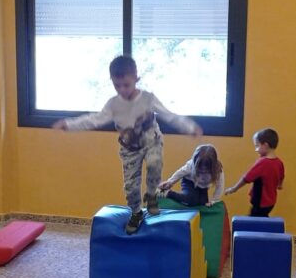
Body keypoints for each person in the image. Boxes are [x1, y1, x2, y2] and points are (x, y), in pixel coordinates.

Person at [53, 55, 201, 234]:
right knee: (131, 187)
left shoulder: (148, 99)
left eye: (126, 85)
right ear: (112, 81)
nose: (122, 90)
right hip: (129, 149)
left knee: (155, 163)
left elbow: (168, 115)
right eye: (117, 86)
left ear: (136, 79)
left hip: (151, 142)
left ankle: (152, 195)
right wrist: (69, 125)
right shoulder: (113, 105)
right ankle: (136, 212)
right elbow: (94, 120)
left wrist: (189, 127)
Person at [224, 128, 284, 217]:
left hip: (260, 202)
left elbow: (246, 178)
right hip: (271, 202)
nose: (256, 149)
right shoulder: (279, 162)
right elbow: (281, 176)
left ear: (265, 145)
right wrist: (280, 185)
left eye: (257, 146)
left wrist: (234, 188)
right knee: (262, 217)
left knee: (254, 220)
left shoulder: (263, 163)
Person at [159, 144, 224, 208]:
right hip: (189, 181)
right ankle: (167, 193)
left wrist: (213, 200)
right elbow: (180, 173)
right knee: (190, 200)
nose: (203, 170)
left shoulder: (217, 169)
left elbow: (220, 186)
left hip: (203, 187)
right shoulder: (190, 165)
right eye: (200, 168)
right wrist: (170, 182)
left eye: (206, 169)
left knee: (202, 204)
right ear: (195, 162)